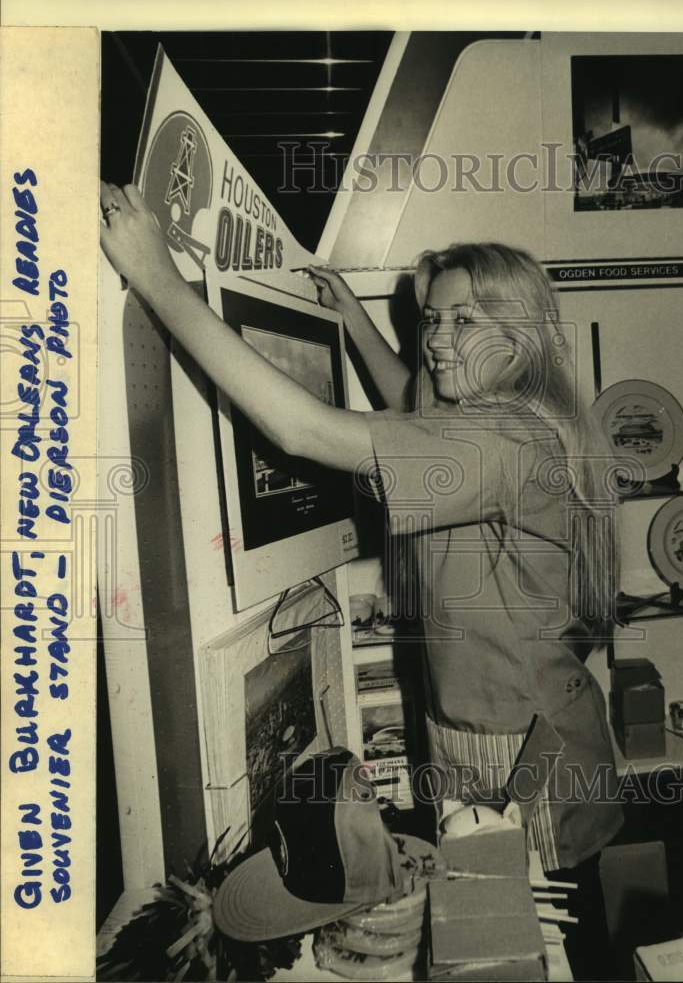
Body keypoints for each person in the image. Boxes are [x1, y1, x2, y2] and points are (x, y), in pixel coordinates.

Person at [100, 182, 623, 978]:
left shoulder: (503, 437)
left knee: (532, 949)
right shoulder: (513, 412)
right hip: (503, 730)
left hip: (525, 755)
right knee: (500, 940)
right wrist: (351, 322)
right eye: (431, 320)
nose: (435, 340)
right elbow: (408, 403)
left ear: (517, 335)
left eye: (462, 321)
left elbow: (303, 429)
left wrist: (157, 277)